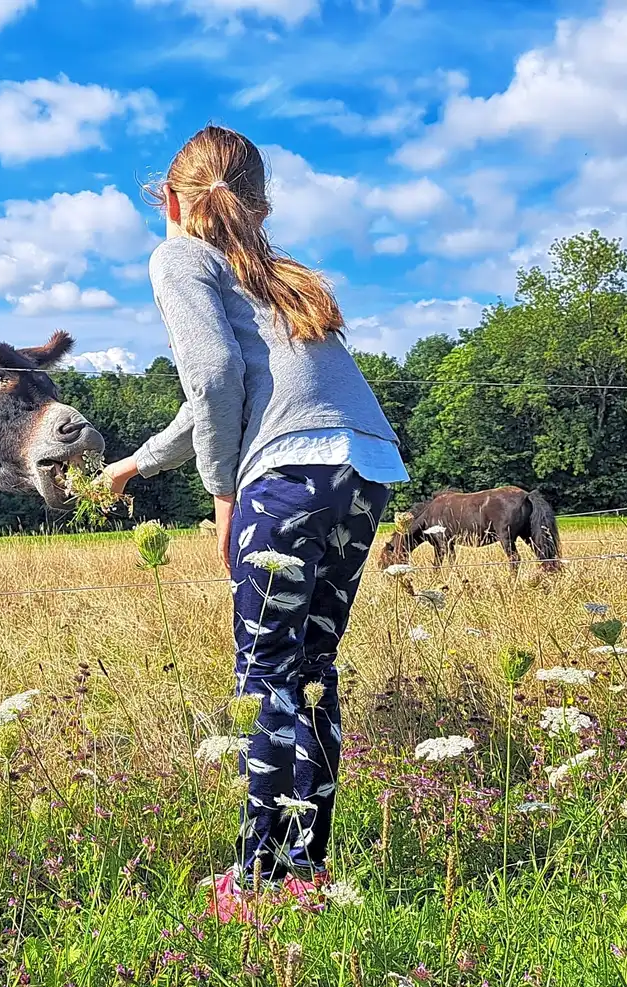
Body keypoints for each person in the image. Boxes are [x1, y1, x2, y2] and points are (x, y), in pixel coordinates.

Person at [101, 124, 407, 920]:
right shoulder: (272, 273)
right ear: (258, 203)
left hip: (287, 476)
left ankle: (257, 881)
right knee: (310, 671)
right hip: (364, 465)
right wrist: (139, 460)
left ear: (168, 200)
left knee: (263, 678)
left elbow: (213, 375)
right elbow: (233, 386)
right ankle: (305, 868)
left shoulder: (177, 257)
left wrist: (222, 493)